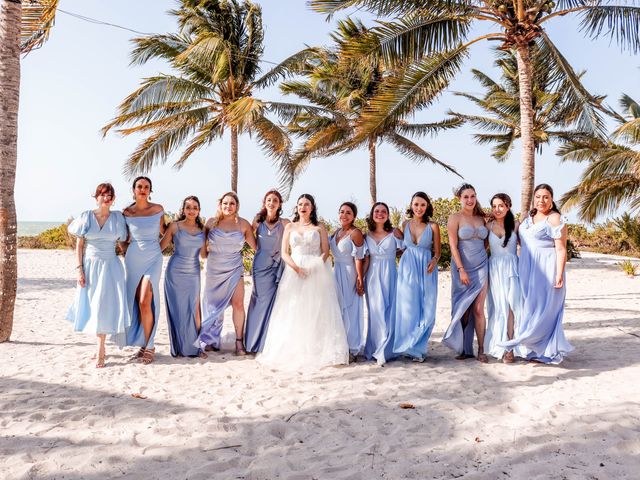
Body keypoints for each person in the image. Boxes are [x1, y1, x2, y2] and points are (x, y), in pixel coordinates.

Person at [258, 194, 349, 371]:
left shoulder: (319, 227)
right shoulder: (290, 227)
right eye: (300, 204)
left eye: (307, 204)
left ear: (312, 207)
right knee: (293, 308)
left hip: (316, 270)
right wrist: (296, 268)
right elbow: (285, 253)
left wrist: (315, 266)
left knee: (317, 308)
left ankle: (318, 349)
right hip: (294, 270)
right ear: (296, 207)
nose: (303, 207)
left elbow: (325, 251)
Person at [500, 184, 574, 364]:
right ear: (534, 198)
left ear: (552, 199)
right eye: (538, 196)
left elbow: (561, 249)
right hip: (526, 267)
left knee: (545, 309)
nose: (542, 200)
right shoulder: (528, 217)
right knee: (530, 308)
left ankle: (546, 351)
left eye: (546, 197)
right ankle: (534, 350)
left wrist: (558, 274)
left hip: (547, 269)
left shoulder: (555, 218)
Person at [66, 182, 129, 368]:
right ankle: (99, 347)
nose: (106, 198)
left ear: (113, 199)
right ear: (96, 197)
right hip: (90, 266)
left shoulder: (118, 218)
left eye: (110, 195)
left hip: (111, 267)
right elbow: (79, 246)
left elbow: (123, 243)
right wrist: (79, 269)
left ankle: (101, 349)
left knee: (104, 306)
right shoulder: (86, 217)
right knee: (94, 306)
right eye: (103, 194)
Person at [197, 192, 256, 355]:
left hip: (235, 269)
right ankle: (210, 340)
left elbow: (255, 247)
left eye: (232, 203)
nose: (228, 206)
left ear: (237, 206)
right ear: (220, 205)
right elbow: (203, 252)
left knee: (238, 304)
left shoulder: (243, 224)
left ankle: (239, 342)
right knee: (213, 307)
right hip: (214, 269)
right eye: (225, 203)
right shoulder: (211, 223)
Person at [442, 183, 490, 363]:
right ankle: (464, 348)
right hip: (462, 268)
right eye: (466, 197)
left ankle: (482, 350)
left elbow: (488, 241)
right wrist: (461, 269)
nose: (470, 200)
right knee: (464, 310)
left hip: (482, 267)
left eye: (473, 196)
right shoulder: (455, 218)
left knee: (478, 309)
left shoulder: (482, 218)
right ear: (459, 199)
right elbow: (453, 245)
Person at [393, 192, 440, 362]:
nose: (419, 208)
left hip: (426, 268)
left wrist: (434, 261)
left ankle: (419, 345)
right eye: (416, 204)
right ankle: (411, 347)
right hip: (407, 268)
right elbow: (402, 248)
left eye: (422, 204)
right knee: (409, 307)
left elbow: (438, 252)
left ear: (427, 206)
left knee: (427, 308)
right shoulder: (405, 224)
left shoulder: (433, 226)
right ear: (411, 206)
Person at [122, 176, 164, 365]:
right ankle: (143, 343)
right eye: (139, 186)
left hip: (153, 258)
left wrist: (157, 251)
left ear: (150, 190)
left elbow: (167, 233)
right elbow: (122, 237)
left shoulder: (158, 209)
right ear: (133, 189)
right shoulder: (126, 213)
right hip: (133, 259)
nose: (143, 189)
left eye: (147, 187)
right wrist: (126, 252)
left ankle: (151, 345)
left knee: (145, 300)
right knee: (137, 304)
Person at [160, 196, 207, 358]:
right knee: (178, 309)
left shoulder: (203, 230)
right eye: (188, 207)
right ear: (183, 210)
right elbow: (161, 247)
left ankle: (197, 347)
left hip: (193, 272)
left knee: (195, 310)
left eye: (195, 207)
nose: (191, 210)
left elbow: (203, 255)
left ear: (199, 210)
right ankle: (180, 346)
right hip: (175, 272)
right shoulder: (175, 227)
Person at [244, 189, 290, 353]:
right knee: (258, 301)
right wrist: (260, 251)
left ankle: (266, 343)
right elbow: (247, 236)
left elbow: (293, 239)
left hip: (277, 266)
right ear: (265, 202)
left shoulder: (285, 223)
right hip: (260, 266)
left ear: (279, 204)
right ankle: (251, 343)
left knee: (273, 304)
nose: (272, 203)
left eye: (275, 200)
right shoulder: (257, 221)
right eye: (269, 200)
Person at [362, 202, 402, 365]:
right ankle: (376, 348)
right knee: (376, 311)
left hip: (391, 274)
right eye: (377, 211)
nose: (380, 214)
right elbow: (365, 259)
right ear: (372, 214)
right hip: (372, 275)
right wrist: (360, 279)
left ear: (388, 215)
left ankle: (387, 349)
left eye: (384, 211)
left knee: (390, 311)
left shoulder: (395, 232)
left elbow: (405, 251)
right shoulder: (366, 235)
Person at [484, 193, 522, 363]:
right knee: (498, 308)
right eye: (494, 206)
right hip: (495, 270)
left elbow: (529, 246)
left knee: (513, 307)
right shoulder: (488, 226)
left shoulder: (516, 225)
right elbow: (481, 248)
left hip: (513, 269)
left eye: (501, 205)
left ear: (508, 206)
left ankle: (511, 347)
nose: (497, 209)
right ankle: (501, 345)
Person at [330, 202, 365, 361]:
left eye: (348, 213)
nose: (344, 215)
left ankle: (352, 348)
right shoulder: (335, 232)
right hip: (335, 272)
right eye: (342, 212)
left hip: (349, 272)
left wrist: (359, 278)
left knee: (350, 309)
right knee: (338, 309)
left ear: (354, 216)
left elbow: (359, 257)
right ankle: (339, 346)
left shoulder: (355, 233)